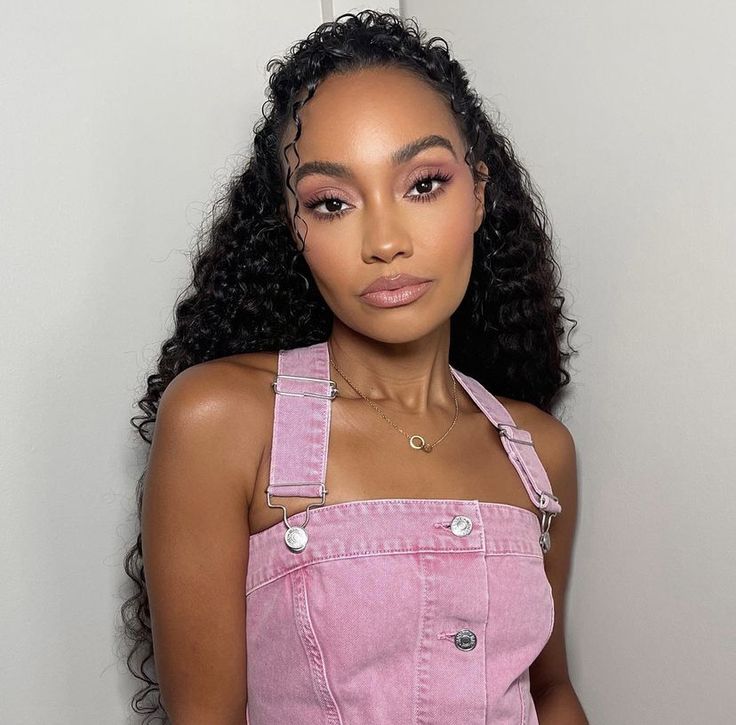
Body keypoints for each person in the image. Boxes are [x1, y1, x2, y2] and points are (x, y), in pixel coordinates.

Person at [121, 9, 587, 724]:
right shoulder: (224, 421)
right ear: (292, 228)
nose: (386, 241)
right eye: (332, 202)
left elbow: (550, 690)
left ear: (479, 192)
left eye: (423, 184)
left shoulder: (538, 452)